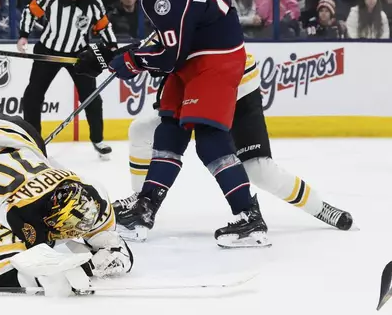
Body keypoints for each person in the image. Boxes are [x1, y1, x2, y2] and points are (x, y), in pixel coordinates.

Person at [75, 0, 270, 248]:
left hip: (216, 58)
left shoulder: (172, 2)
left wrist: (117, 60)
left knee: (209, 139)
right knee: (170, 129)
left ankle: (250, 216)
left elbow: (167, 57)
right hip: (193, 49)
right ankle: (145, 209)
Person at [115, 43, 353, 241]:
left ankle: (320, 208)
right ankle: (141, 202)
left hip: (234, 81)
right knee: (142, 130)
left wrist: (139, 58)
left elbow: (180, 44)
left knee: (258, 170)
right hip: (196, 77)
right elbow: (169, 47)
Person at [0, 113, 132, 295]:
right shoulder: (12, 217)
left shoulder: (93, 195)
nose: (78, 233)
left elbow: (118, 250)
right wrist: (47, 279)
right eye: (70, 228)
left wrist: (92, 265)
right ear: (49, 220)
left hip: (12, 129)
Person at [18, 0, 117, 160]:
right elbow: (31, 12)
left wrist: (113, 48)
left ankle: (98, 140)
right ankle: (32, 139)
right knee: (32, 96)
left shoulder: (93, 1)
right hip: (48, 52)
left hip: (79, 56)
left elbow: (103, 26)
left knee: (92, 98)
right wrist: (23, 35)